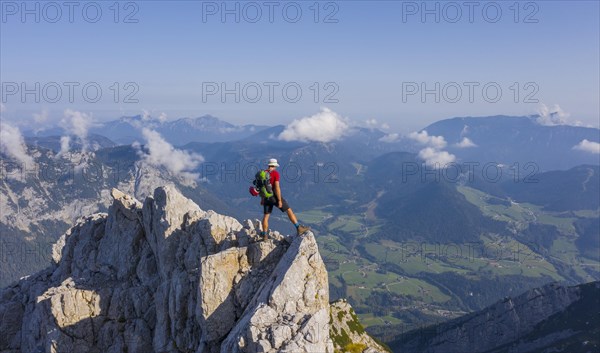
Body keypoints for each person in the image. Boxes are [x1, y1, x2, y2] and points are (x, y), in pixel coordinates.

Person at [260, 158, 309, 240]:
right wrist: (279, 200)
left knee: (266, 216)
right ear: (275, 165)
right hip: (274, 196)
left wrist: (262, 199)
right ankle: (299, 228)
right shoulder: (275, 173)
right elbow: (277, 187)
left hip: (266, 197)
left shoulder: (263, 173)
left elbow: (262, 188)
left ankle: (264, 235)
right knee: (289, 210)